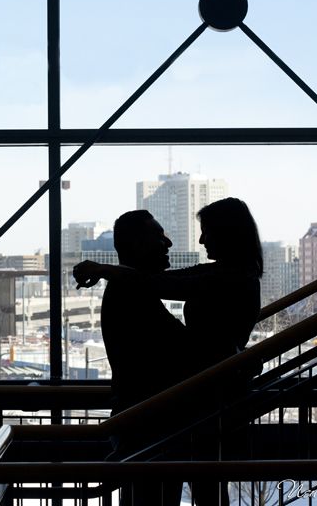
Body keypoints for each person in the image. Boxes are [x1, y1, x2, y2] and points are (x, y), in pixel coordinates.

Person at [74, 197, 264, 505]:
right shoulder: (233, 275)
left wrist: (103, 269)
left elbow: (164, 286)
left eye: (206, 231)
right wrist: (239, 358)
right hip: (192, 409)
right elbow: (165, 286)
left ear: (226, 234)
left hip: (182, 410)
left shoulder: (224, 277)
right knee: (206, 491)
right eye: (158, 237)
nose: (197, 239)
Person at [98, 210, 189, 506]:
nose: (168, 243)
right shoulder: (132, 294)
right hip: (151, 425)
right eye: (158, 236)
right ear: (138, 245)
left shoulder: (127, 291)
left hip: (141, 422)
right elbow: (178, 351)